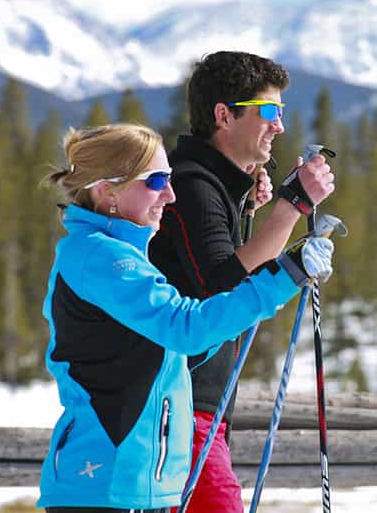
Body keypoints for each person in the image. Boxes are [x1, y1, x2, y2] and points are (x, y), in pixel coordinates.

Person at [37, 123, 334, 512]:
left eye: (170, 179)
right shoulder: (102, 257)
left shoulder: (124, 255)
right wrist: (283, 277)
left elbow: (176, 352)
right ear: (106, 188)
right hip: (105, 487)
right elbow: (186, 328)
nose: (170, 194)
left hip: (142, 487)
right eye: (155, 180)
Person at [148, 51, 334, 512]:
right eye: (269, 112)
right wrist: (294, 206)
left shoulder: (210, 184)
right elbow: (221, 283)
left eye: (282, 113)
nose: (280, 126)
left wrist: (249, 205)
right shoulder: (191, 184)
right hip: (178, 410)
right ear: (223, 115)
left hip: (194, 409)